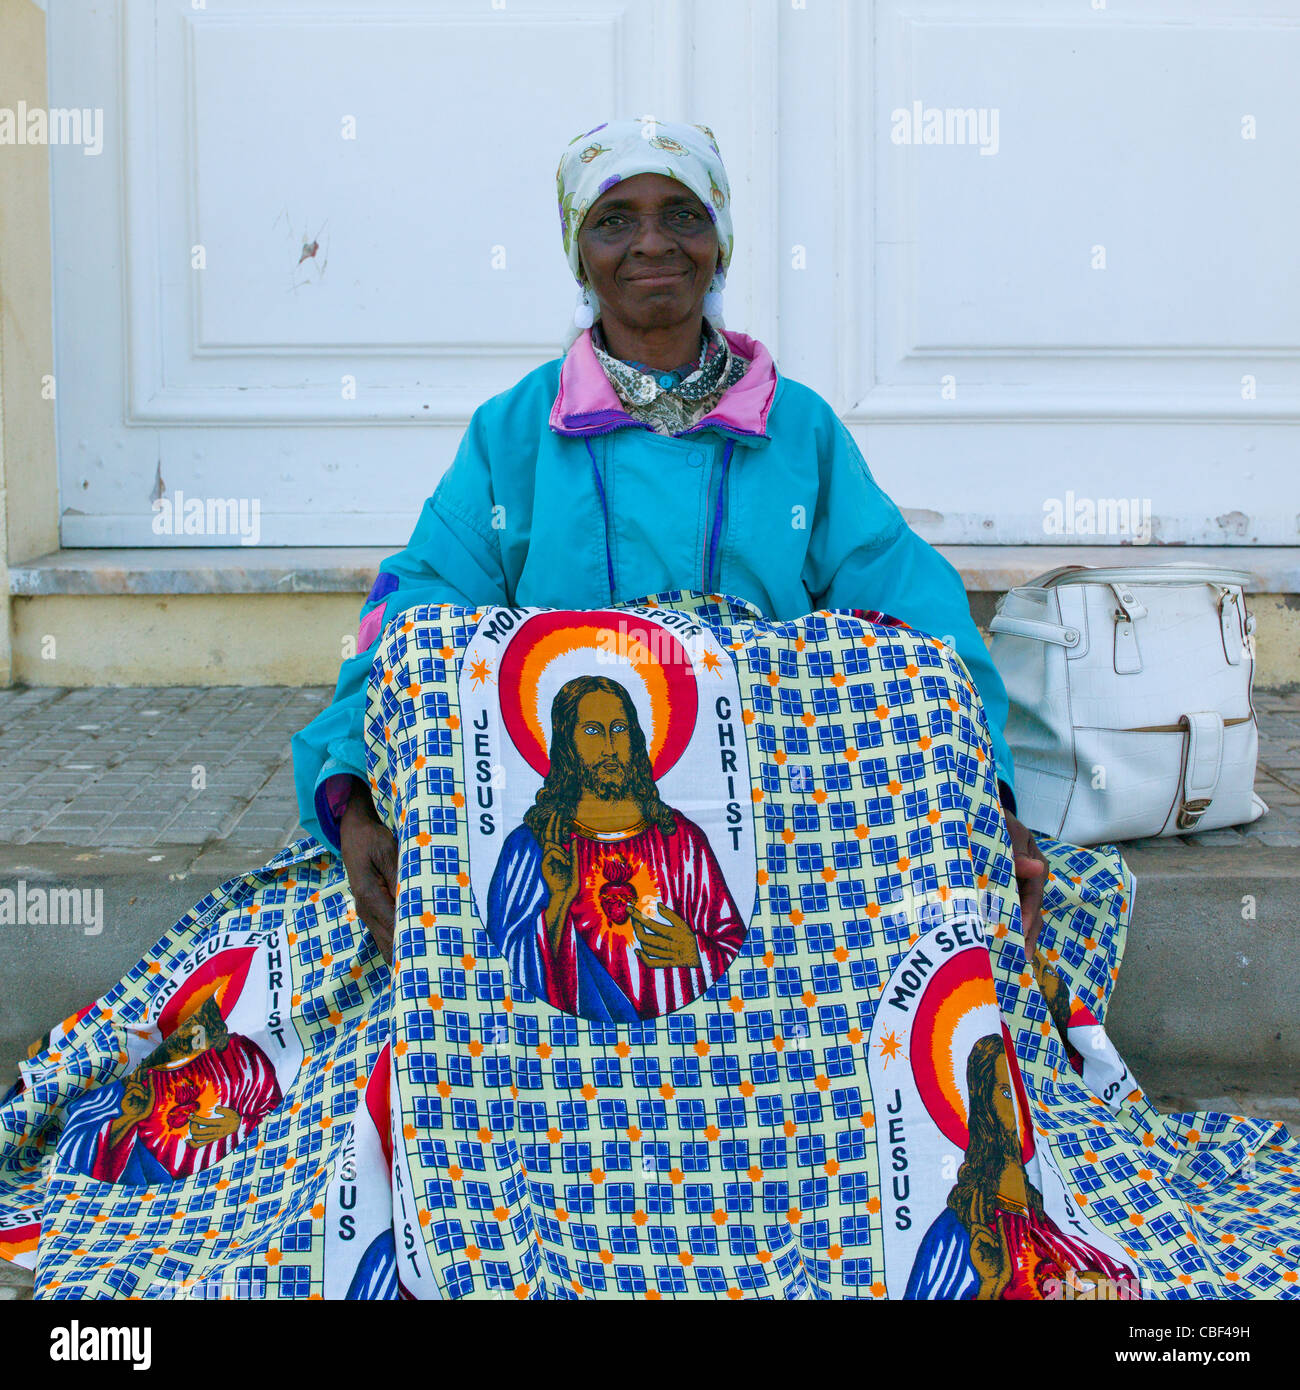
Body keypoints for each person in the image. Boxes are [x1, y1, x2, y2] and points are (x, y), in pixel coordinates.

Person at [291, 118, 1050, 967]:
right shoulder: (515, 434)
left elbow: (917, 614)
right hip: (552, 820)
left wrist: (984, 793)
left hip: (776, 811)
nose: (653, 243)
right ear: (579, 256)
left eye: (683, 215)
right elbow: (416, 607)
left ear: (719, 244)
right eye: (614, 222)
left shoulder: (797, 430)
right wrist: (352, 791)